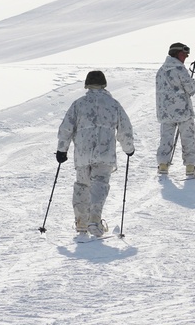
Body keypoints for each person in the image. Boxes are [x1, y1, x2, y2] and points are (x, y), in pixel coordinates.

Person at [56, 70, 135, 237]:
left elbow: (66, 128)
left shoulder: (78, 104)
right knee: (99, 185)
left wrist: (62, 150)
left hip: (83, 155)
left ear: (87, 85)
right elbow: (125, 129)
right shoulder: (113, 104)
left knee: (82, 186)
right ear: (104, 84)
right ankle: (94, 219)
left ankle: (81, 222)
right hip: (104, 154)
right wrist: (128, 148)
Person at [156, 42, 195, 178]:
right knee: (188, 139)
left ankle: (163, 165)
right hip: (183, 112)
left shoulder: (161, 70)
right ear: (177, 54)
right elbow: (191, 89)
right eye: (184, 54)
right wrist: (194, 83)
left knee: (166, 139)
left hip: (165, 112)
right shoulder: (180, 69)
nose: (186, 57)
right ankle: (190, 168)